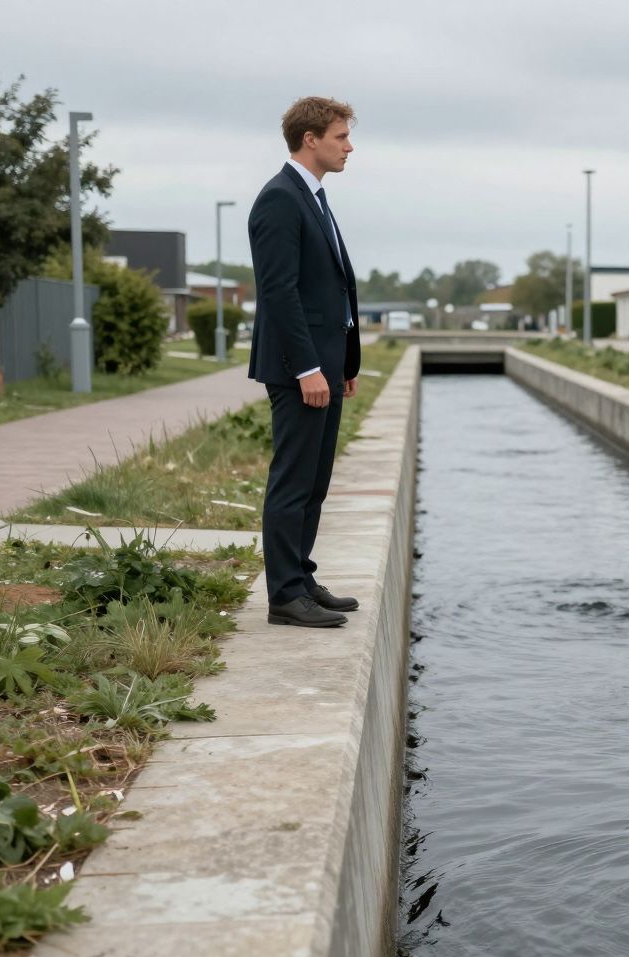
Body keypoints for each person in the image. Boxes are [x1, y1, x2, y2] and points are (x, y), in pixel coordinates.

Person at [249, 96, 363, 628]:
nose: (349, 146)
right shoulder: (279, 199)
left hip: (324, 366)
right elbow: (279, 293)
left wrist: (343, 363)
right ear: (310, 138)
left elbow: (330, 287)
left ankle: (302, 577)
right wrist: (306, 369)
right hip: (300, 369)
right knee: (292, 480)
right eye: (340, 137)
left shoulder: (312, 197)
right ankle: (284, 595)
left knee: (315, 480)